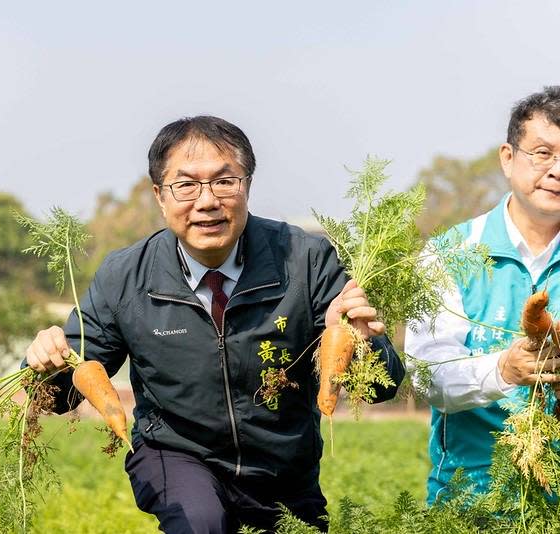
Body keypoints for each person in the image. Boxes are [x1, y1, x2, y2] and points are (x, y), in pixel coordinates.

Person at [26, 115, 404, 533]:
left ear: (247, 186)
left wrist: (360, 341)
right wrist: (50, 364)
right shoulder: (125, 276)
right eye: (185, 185)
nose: (206, 201)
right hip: (175, 455)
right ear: (159, 196)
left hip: (283, 472)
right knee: (201, 522)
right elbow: (58, 393)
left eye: (225, 182)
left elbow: (381, 387)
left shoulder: (306, 260)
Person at [405, 86, 560, 505]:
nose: (557, 170)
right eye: (543, 153)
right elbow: (427, 374)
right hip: (471, 499)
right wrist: (504, 370)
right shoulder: (449, 254)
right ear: (508, 159)